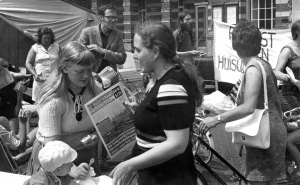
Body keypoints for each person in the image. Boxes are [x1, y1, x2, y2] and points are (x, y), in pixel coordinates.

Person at [109, 22, 203, 185]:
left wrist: (129, 165)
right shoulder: (165, 77)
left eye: (138, 50)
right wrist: (142, 109)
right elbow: (163, 117)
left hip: (166, 177)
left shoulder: (170, 86)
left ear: (155, 52)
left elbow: (177, 143)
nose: (135, 56)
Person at [199, 20, 286, 185]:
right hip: (271, 131)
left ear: (236, 46)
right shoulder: (263, 64)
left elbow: (248, 107)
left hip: (264, 135)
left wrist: (216, 120)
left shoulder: (253, 69)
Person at [26, 41, 103, 179]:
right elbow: (52, 147)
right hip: (55, 163)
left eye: (89, 70)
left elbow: (103, 119)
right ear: (65, 68)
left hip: (85, 155)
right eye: (79, 71)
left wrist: (96, 135)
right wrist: (72, 171)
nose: (86, 76)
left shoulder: (95, 88)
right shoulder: (52, 100)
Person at [78, 3, 127, 85]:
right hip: (90, 79)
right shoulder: (87, 32)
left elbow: (122, 58)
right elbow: (78, 54)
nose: (113, 20)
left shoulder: (118, 34)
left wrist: (103, 51)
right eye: (110, 17)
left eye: (115, 17)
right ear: (101, 17)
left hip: (111, 80)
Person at [25, 27, 60, 102]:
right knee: (39, 103)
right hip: (40, 80)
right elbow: (28, 63)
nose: (47, 40)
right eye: (44, 38)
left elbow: (63, 60)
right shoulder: (35, 48)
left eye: (48, 38)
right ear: (40, 38)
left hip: (54, 81)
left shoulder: (56, 47)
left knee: (53, 102)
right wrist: (34, 74)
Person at [274, 20, 300, 115]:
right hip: (289, 93)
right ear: (298, 33)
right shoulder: (287, 50)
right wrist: (290, 78)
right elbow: (276, 72)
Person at [0, 58, 31, 134]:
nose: (5, 68)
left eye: (6, 66)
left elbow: (21, 84)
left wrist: (18, 104)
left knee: (14, 133)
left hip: (12, 104)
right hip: (2, 104)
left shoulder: (10, 74)